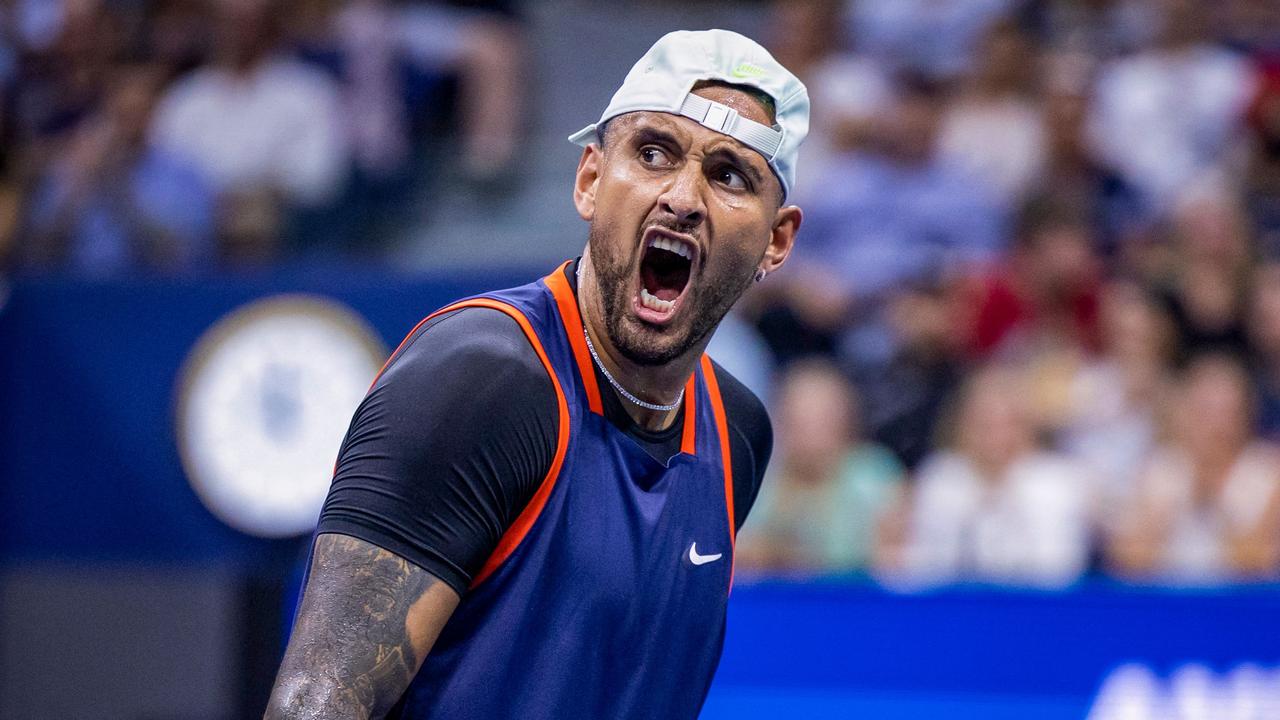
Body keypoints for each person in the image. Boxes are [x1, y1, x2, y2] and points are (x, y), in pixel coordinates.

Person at [263, 29, 808, 720]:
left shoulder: (739, 435)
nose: (683, 197)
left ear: (778, 239)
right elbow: (313, 706)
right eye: (652, 153)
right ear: (588, 180)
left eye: (729, 175)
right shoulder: (477, 380)